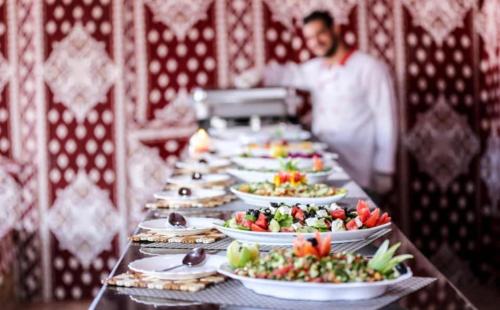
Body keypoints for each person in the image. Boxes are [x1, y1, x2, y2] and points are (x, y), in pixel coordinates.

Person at [235, 10, 398, 195]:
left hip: (361, 165)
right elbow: (288, 73)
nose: (315, 42)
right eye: (309, 38)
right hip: (325, 163)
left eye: (320, 33)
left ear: (335, 29)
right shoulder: (317, 68)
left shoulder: (369, 68)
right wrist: (260, 73)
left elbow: (386, 119)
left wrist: (384, 168)